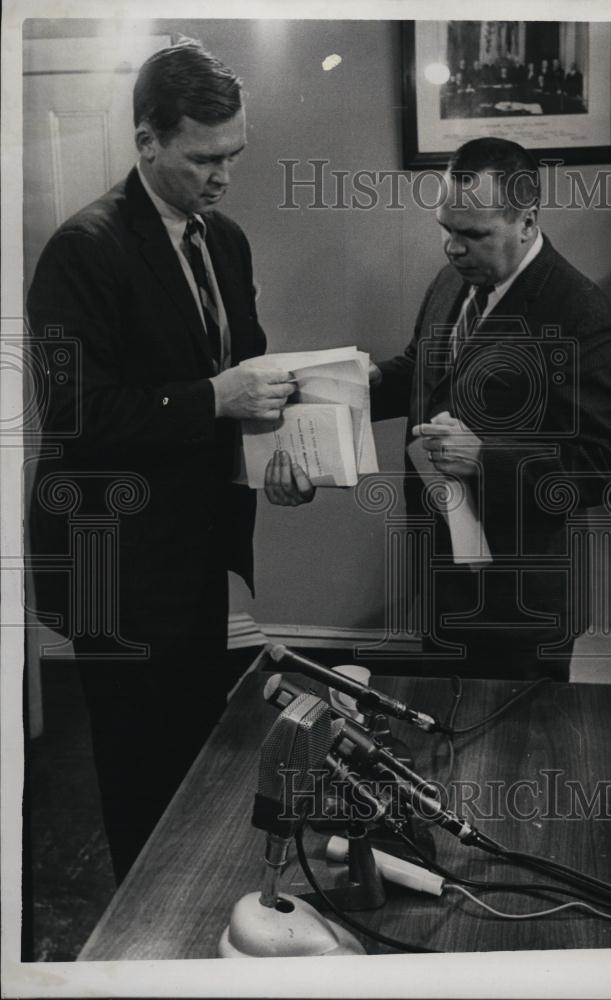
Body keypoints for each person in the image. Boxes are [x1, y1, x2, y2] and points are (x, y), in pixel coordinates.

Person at [26, 39, 311, 882]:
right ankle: (136, 937)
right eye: (202, 159)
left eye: (234, 156)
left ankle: (180, 905)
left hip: (190, 548)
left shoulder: (224, 242)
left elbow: (244, 375)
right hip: (112, 558)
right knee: (136, 770)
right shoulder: (84, 249)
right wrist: (214, 400)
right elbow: (76, 415)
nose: (222, 177)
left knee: (190, 749)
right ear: (146, 141)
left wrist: (278, 455)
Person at [368, 138, 611, 680]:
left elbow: (602, 465)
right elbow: (427, 368)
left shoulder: (580, 312)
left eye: (473, 234)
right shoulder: (453, 281)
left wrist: (483, 458)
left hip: (522, 600)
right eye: (445, 228)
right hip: (443, 572)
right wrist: (357, 386)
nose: (452, 248)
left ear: (527, 223)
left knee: (516, 759)